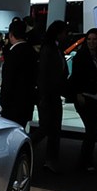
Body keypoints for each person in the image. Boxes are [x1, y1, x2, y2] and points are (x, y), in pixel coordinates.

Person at [67, 27, 97, 172]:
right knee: (91, 130)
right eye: (89, 39)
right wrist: (78, 94)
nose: (91, 42)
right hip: (85, 97)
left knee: (93, 131)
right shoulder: (80, 57)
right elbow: (75, 77)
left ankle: (87, 160)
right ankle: (85, 162)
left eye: (94, 39)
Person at [36, 20, 70, 173]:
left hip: (53, 94)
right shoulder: (49, 49)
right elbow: (43, 74)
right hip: (48, 94)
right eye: (64, 32)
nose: (66, 35)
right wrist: (43, 95)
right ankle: (26, 149)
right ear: (58, 33)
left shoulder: (55, 48)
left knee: (53, 129)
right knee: (46, 128)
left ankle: (50, 161)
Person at [0, 19, 38, 129]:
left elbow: (8, 81)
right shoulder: (32, 52)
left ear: (11, 35)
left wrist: (3, 102)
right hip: (27, 102)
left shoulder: (12, 54)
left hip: (12, 105)